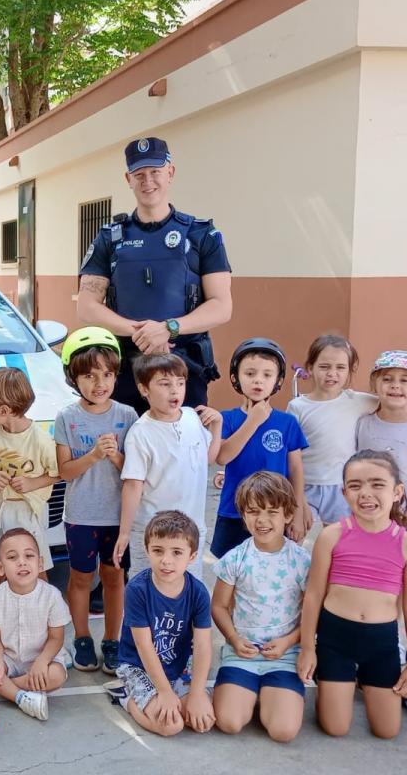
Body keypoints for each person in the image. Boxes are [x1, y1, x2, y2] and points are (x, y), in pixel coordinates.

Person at [76, 136, 233, 412]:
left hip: (183, 371)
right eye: (139, 174)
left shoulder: (201, 235)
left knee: (184, 450)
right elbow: (87, 306)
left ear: (170, 172)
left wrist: (168, 328)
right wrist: (142, 335)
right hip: (125, 371)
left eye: (155, 172)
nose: (148, 181)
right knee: (125, 451)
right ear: (129, 178)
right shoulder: (109, 238)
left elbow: (222, 307)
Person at [297, 451, 407, 739]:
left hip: (381, 645)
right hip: (335, 641)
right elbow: (314, 596)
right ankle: (337, 684)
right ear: (344, 493)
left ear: (397, 492)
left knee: (387, 730)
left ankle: (371, 685)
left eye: (377, 484)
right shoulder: (331, 536)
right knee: (335, 727)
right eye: (355, 485)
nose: (365, 493)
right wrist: (308, 648)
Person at [287, 335, 407, 530]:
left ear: (350, 371)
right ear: (310, 367)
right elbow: (291, 457)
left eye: (340, 367)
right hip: (308, 487)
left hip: (343, 488)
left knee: (343, 543)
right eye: (325, 366)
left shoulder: (357, 401)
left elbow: (397, 400)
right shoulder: (298, 406)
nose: (332, 373)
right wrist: (299, 503)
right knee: (304, 540)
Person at [54, 327, 137, 673]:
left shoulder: (127, 416)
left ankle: (112, 640)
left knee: (115, 578)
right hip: (81, 515)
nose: (99, 383)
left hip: (118, 516)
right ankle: (83, 638)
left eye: (107, 374)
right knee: (80, 578)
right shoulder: (67, 418)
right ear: (73, 378)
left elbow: (134, 472)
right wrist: (92, 455)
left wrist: (116, 456)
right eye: (89, 375)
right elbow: (64, 471)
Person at [211, 472, 309, 743]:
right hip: (243, 654)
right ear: (243, 515)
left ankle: (266, 695)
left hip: (285, 656)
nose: (262, 520)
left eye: (271, 512)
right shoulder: (236, 558)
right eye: (253, 511)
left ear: (288, 515)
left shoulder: (301, 560)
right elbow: (218, 606)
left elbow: (312, 614)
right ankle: (251, 694)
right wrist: (233, 639)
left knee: (283, 731)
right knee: (229, 723)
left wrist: (289, 642)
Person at [113, 353, 221, 580]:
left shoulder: (192, 417)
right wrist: (124, 533)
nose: (175, 390)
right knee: (147, 592)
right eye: (165, 384)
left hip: (191, 529)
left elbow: (207, 459)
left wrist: (217, 426)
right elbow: (133, 485)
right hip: (153, 534)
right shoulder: (141, 432)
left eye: (180, 383)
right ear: (144, 389)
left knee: (187, 590)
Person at [109, 511, 215, 737]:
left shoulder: (198, 592)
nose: (166, 560)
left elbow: (204, 646)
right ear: (147, 551)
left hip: (178, 664)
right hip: (139, 665)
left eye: (177, 552)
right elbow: (143, 646)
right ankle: (124, 697)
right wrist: (165, 692)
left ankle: (178, 695)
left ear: (193, 556)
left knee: (200, 720)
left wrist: (196, 693)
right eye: (158, 551)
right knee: (171, 726)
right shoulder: (137, 590)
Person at [213, 338, 308, 557]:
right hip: (234, 512)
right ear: (236, 377)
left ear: (278, 380)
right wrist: (253, 421)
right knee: (230, 572)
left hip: (275, 512)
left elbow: (295, 470)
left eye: (267, 375)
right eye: (250, 373)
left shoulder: (287, 423)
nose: (258, 381)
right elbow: (223, 457)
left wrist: (298, 511)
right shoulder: (226, 419)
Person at [0, 528, 70, 721]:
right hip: (8, 658)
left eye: (29, 555)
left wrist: (42, 661)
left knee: (56, 676)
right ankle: (19, 697)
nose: (22, 562)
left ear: (40, 563)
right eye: (12, 557)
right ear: (0, 567)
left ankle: (0, 686)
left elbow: (57, 637)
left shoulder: (51, 595)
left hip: (40, 658)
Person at [0, 367, 58, 601]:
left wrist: (33, 483)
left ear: (3, 410)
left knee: (36, 571)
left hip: (27, 513)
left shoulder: (41, 440)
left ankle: (45, 623)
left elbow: (60, 473)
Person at [355, 351, 407, 535]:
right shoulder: (361, 423)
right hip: (363, 516)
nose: (395, 386)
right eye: (387, 379)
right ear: (374, 385)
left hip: (404, 519)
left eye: (404, 380)